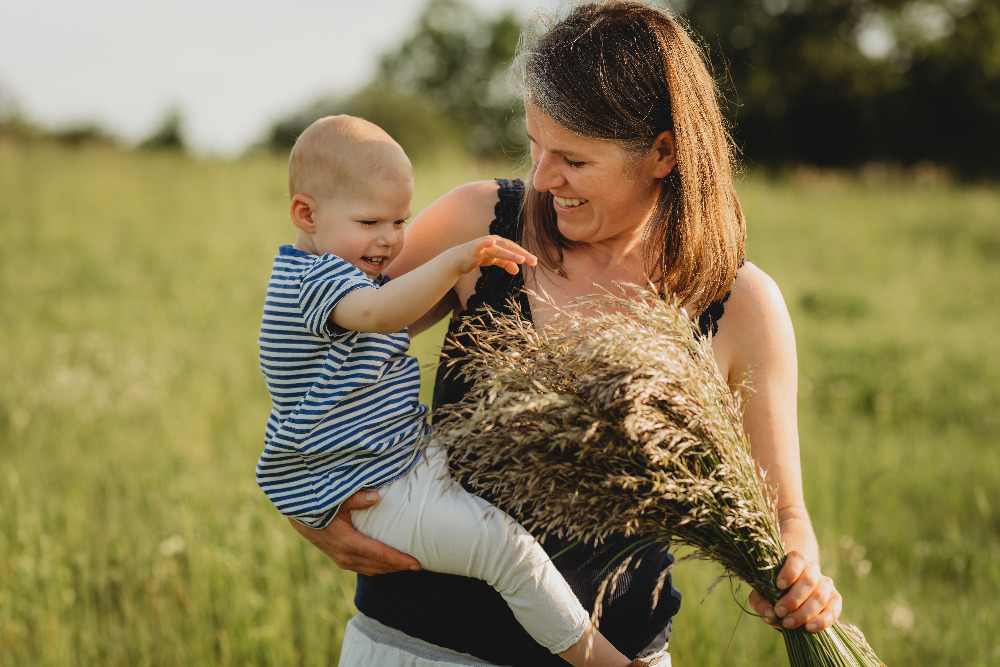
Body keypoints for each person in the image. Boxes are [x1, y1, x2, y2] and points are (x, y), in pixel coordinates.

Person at [287, 3, 844, 665]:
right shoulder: (481, 221)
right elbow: (312, 342)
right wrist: (306, 505)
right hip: (418, 649)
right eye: (536, 145)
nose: (544, 179)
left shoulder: (741, 303)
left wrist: (800, 576)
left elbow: (785, 516)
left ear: (663, 151)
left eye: (574, 159)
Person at [256, 114, 638, 666]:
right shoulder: (316, 281)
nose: (388, 240)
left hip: (399, 456)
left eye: (399, 221)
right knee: (506, 553)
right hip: (376, 483)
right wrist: (457, 258)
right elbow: (384, 311)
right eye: (370, 221)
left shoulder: (329, 266)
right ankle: (605, 662)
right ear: (305, 214)